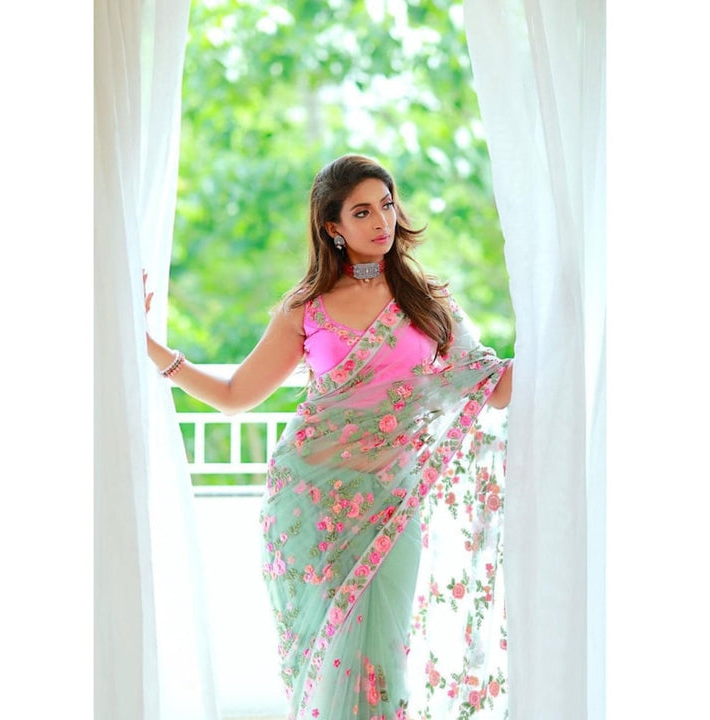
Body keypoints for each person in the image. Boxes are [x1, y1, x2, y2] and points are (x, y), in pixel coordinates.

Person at [145, 154, 513, 719]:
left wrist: (565, 329)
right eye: (362, 211)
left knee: (382, 660)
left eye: (387, 205)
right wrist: (153, 349)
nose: (380, 222)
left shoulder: (427, 303)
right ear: (333, 228)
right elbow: (237, 395)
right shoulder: (307, 309)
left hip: (390, 509)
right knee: (321, 663)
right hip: (308, 510)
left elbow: (496, 387)